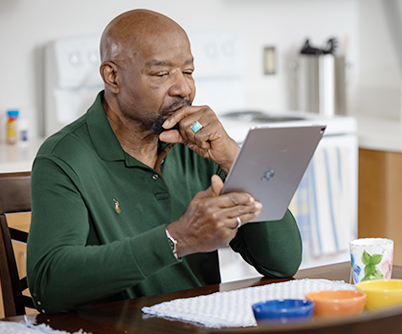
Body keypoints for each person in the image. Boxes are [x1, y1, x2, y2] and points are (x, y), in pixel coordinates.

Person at [27, 9, 302, 313]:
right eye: (161, 74)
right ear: (112, 76)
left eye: (188, 71)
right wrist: (177, 238)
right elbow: (49, 288)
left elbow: (283, 263)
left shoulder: (198, 145)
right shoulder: (64, 157)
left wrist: (233, 159)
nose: (183, 88)